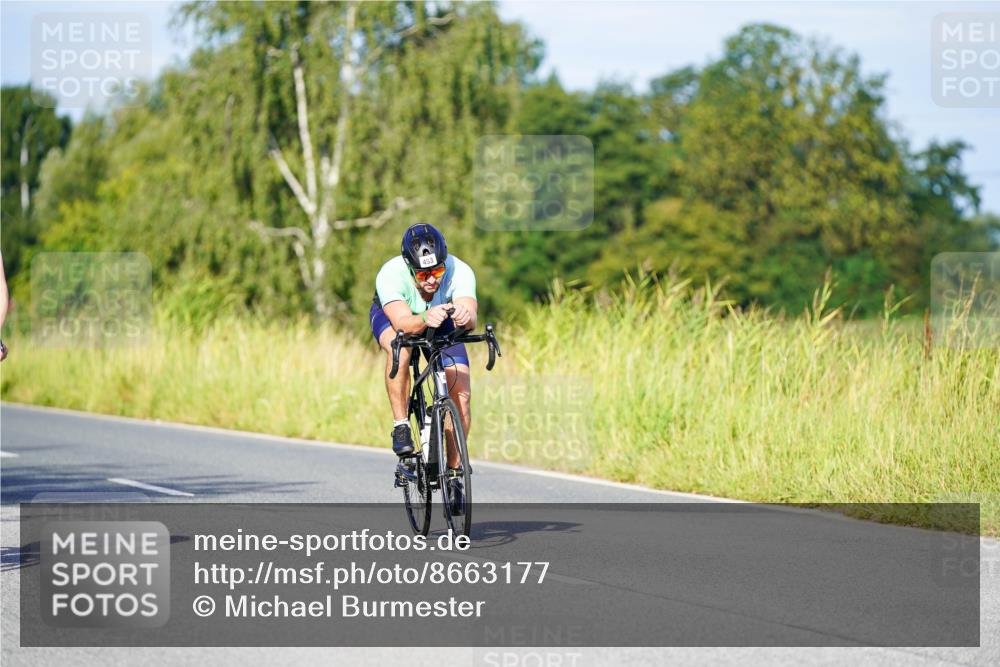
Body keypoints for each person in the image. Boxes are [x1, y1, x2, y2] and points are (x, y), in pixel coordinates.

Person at [369, 223, 476, 487]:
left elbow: (470, 314)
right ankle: (401, 424)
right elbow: (403, 323)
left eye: (437, 270)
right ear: (409, 268)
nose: (432, 279)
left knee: (460, 392)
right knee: (400, 345)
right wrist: (425, 317)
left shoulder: (459, 270)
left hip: (440, 318)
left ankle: (454, 470)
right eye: (423, 274)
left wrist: (465, 316)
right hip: (396, 317)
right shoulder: (390, 274)